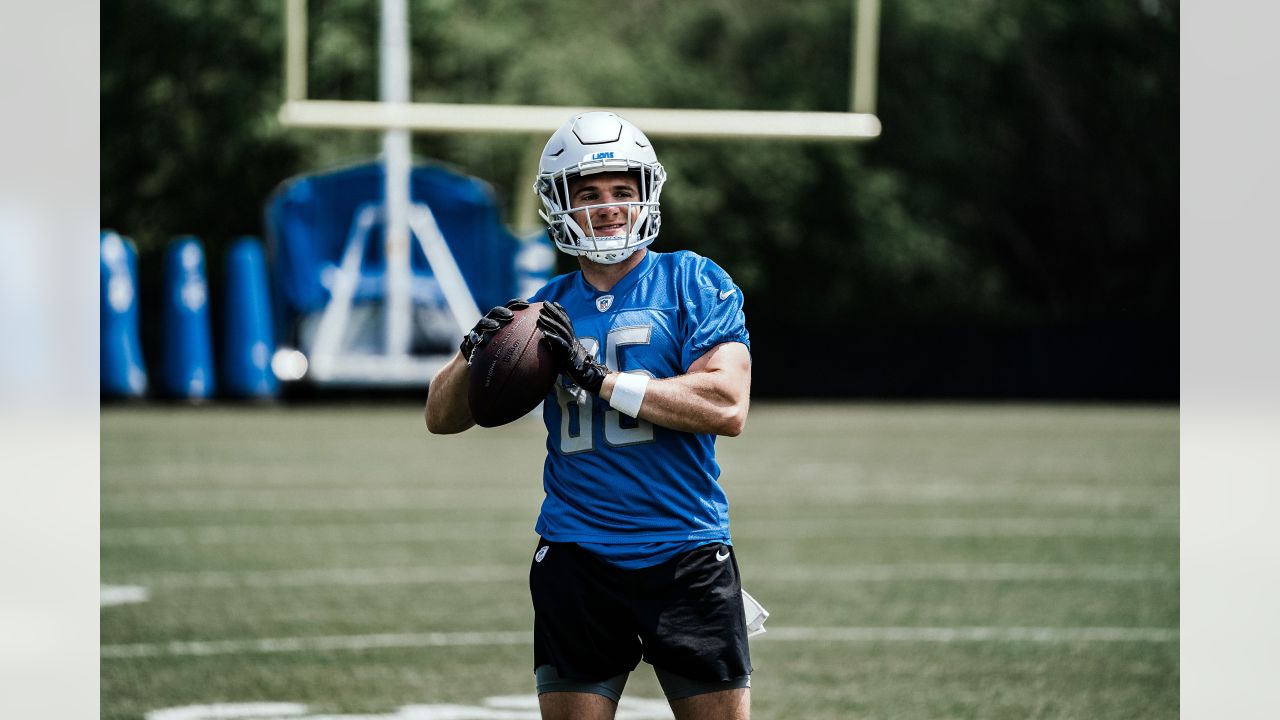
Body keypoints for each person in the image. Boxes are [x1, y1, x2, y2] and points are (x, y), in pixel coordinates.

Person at [425, 111, 755, 720]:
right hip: (576, 554)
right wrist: (472, 352)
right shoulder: (542, 309)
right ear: (560, 204)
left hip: (684, 549)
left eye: (622, 192)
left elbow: (727, 404)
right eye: (590, 194)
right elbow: (441, 417)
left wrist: (598, 377)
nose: (608, 207)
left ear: (646, 196)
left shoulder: (692, 280)